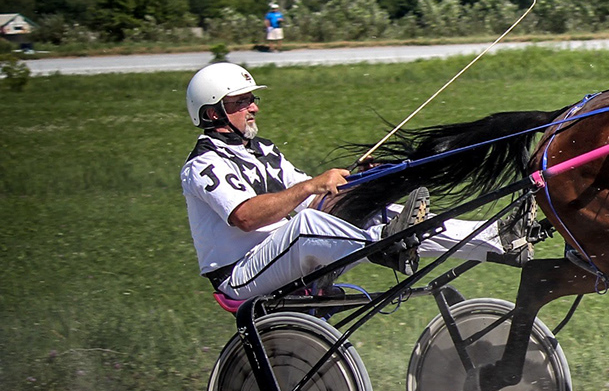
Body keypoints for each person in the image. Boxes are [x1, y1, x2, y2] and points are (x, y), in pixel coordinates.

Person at [180, 62, 526, 303]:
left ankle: (495, 238)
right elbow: (245, 217)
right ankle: (386, 245)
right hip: (242, 276)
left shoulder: (264, 152)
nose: (253, 107)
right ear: (213, 113)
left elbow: (315, 199)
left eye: (252, 99)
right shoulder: (204, 164)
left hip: (282, 258)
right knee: (307, 226)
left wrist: (357, 180)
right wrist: (312, 185)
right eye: (241, 102)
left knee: (377, 210)